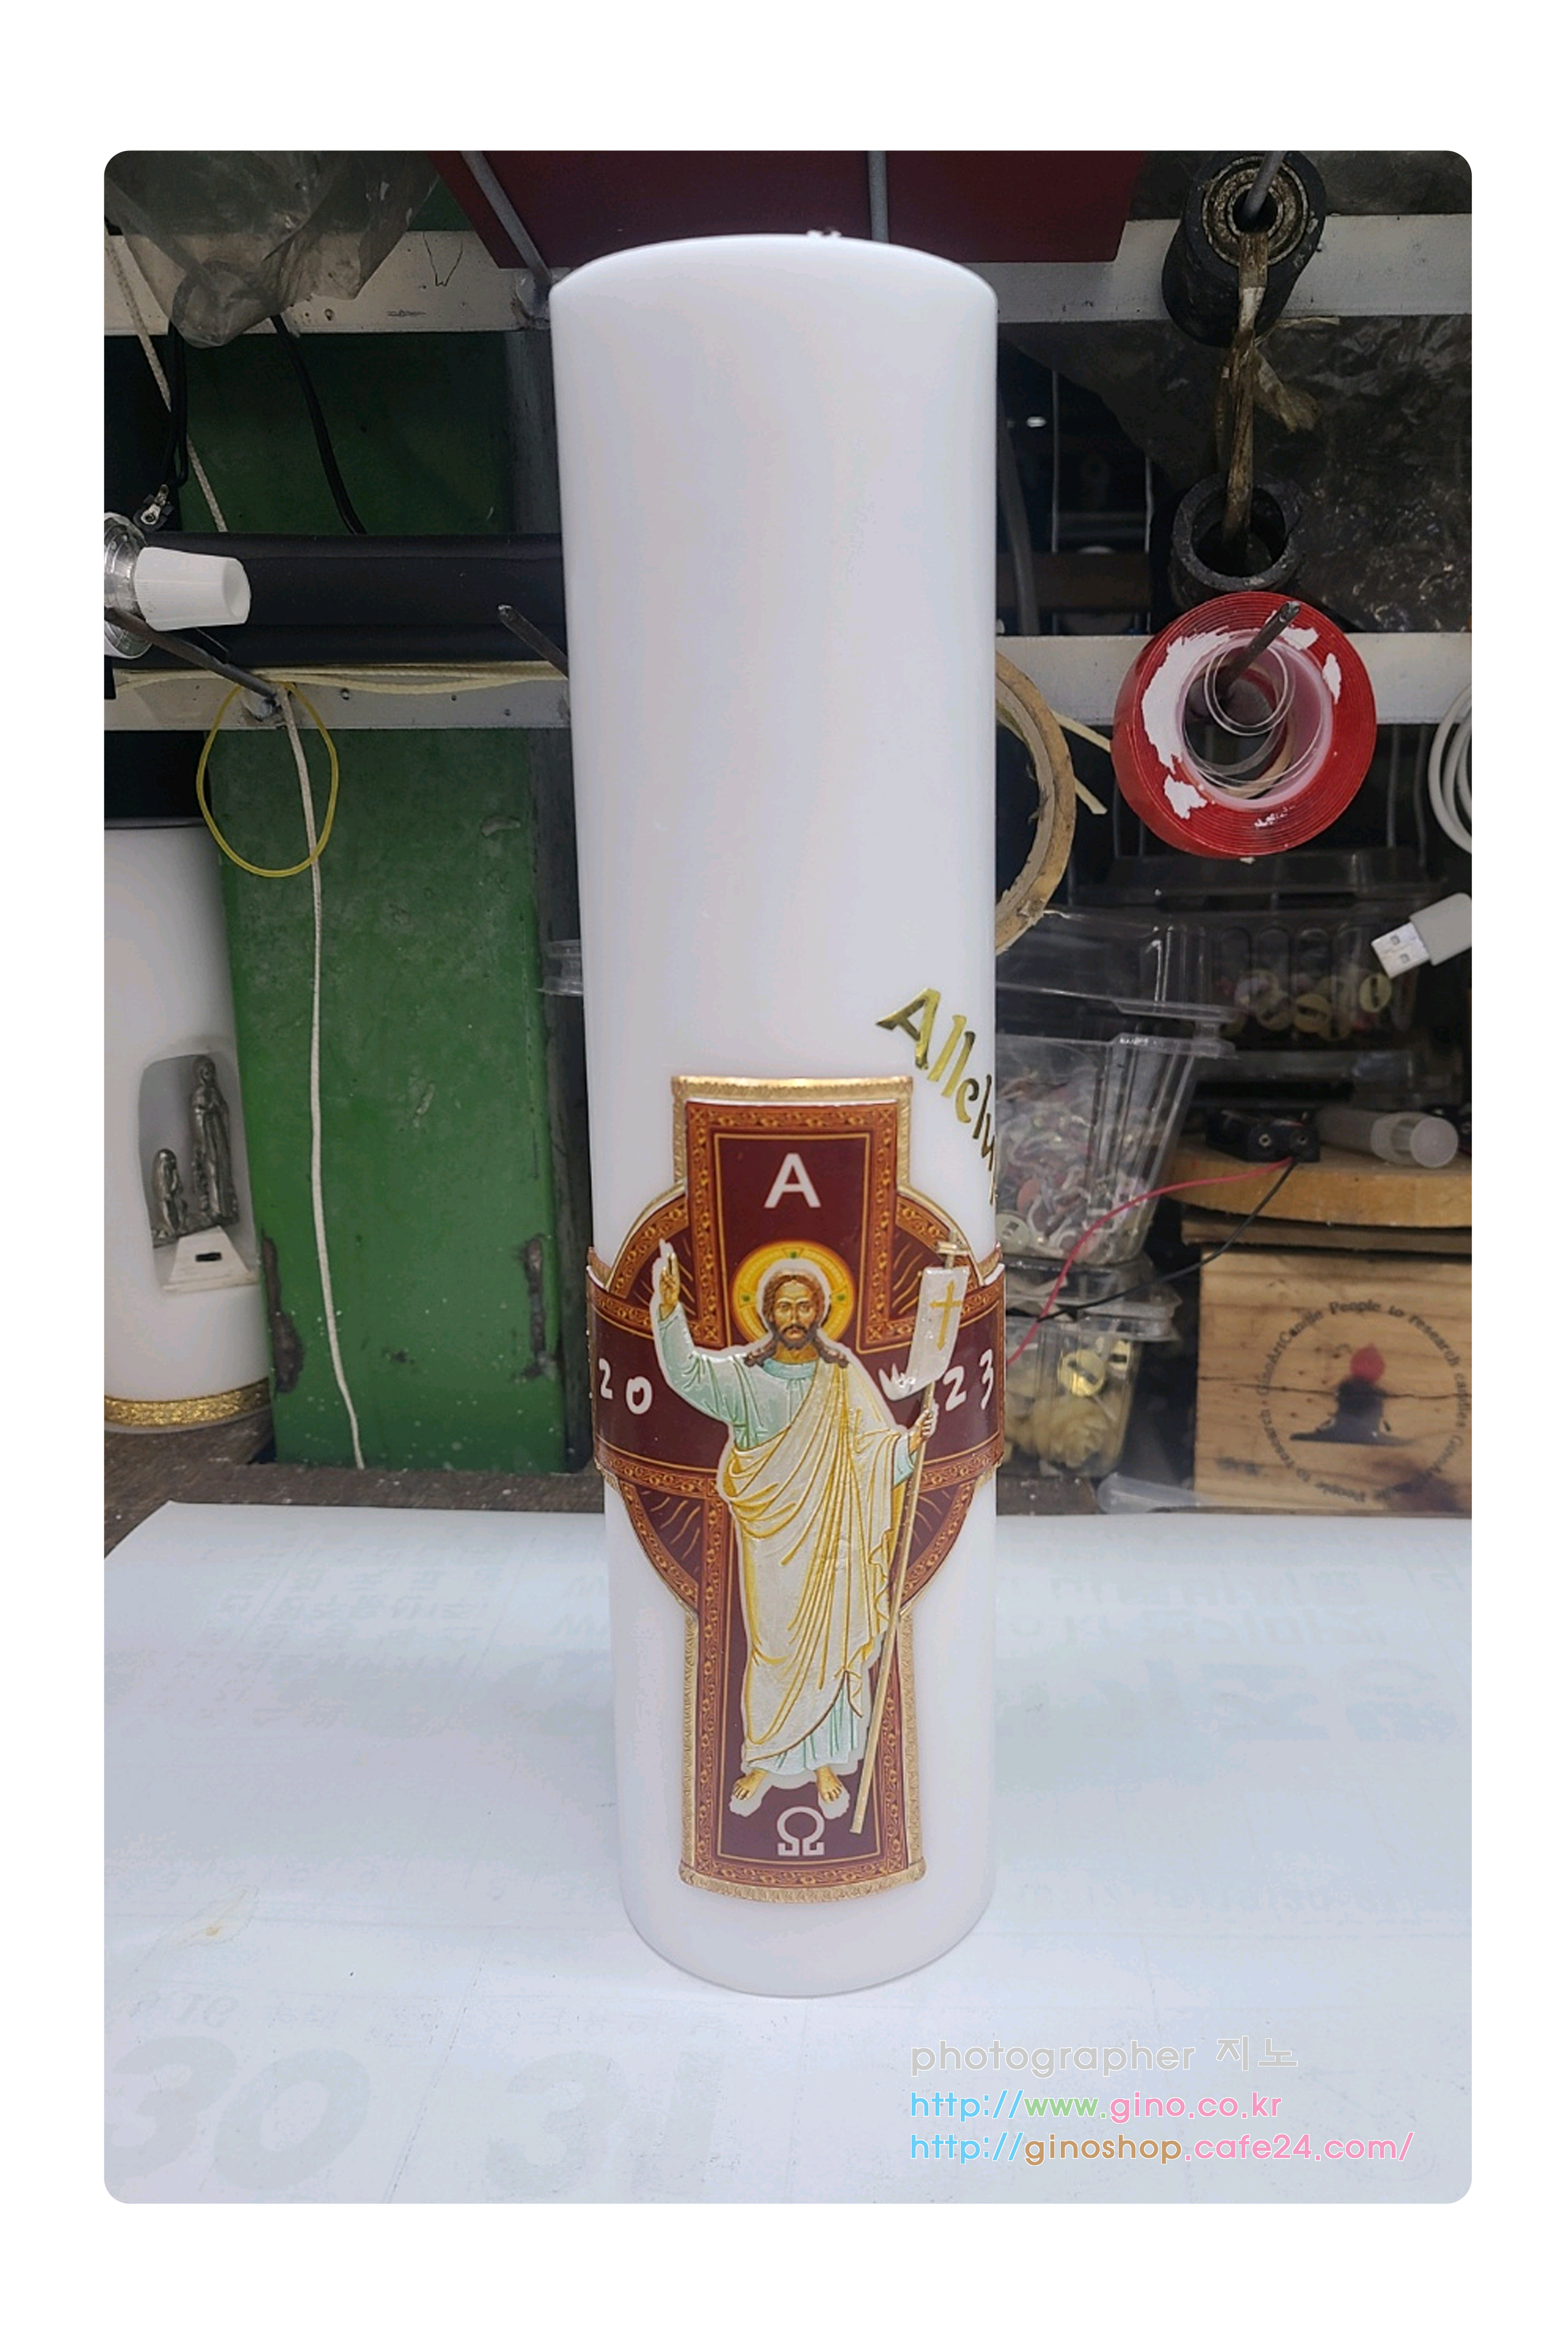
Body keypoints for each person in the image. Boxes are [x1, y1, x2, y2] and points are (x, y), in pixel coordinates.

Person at [651, 1245, 935, 1820]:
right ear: (768, 1313)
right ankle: (764, 1757)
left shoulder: (839, 1375)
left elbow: (869, 1449)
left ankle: (825, 1762)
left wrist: (907, 1444)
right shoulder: (745, 1378)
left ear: (821, 1310)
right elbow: (686, 1373)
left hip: (833, 1538)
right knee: (773, 1647)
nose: (796, 1315)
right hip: (773, 1538)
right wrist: (668, 1312)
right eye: (785, 1305)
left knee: (831, 1643)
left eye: (806, 1305)